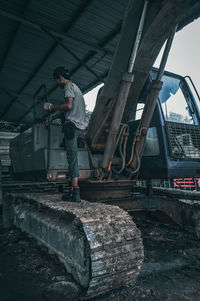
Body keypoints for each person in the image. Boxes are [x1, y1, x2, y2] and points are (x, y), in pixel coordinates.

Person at [44, 66, 88, 202]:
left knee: (72, 157)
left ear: (61, 78)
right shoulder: (76, 87)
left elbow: (68, 106)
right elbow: (68, 110)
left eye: (57, 80)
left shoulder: (68, 86)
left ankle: (75, 193)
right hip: (80, 126)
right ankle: (73, 191)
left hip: (72, 127)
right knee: (71, 153)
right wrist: (53, 117)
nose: (57, 83)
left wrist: (51, 107)